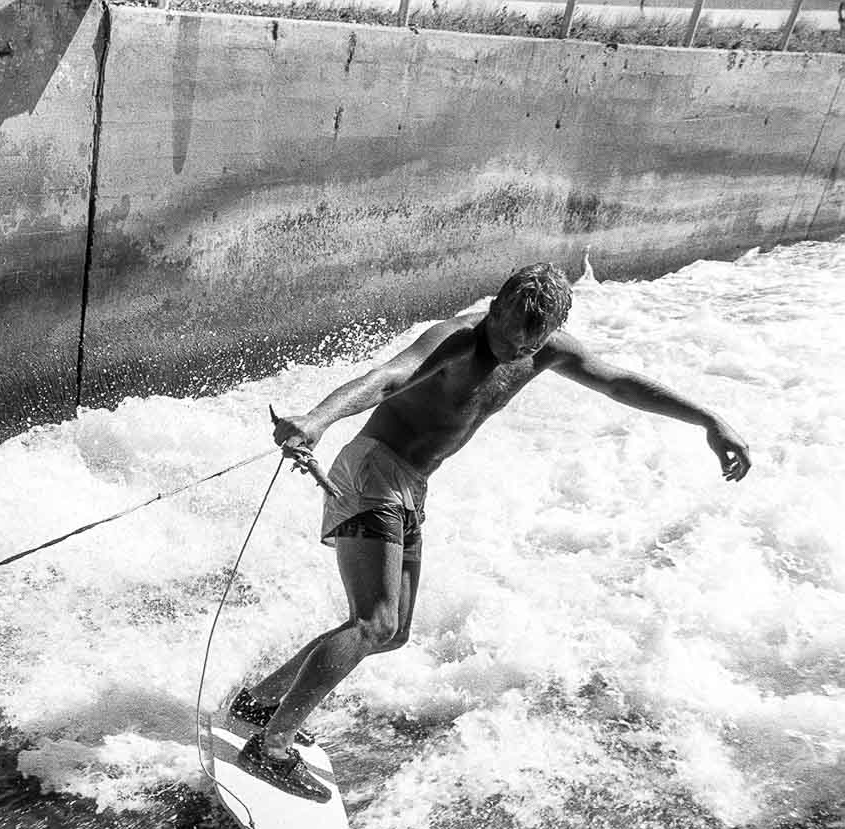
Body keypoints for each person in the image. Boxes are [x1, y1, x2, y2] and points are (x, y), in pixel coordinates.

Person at [231, 262, 751, 800]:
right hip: (373, 471)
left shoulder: (546, 349)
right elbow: (387, 376)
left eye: (528, 345)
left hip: (411, 485)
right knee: (373, 623)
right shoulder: (456, 340)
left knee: (394, 630)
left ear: (548, 334)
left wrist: (710, 420)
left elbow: (619, 383)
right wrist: (316, 419)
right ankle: (272, 746)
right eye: (507, 335)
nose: (513, 351)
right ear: (496, 305)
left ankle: (262, 702)